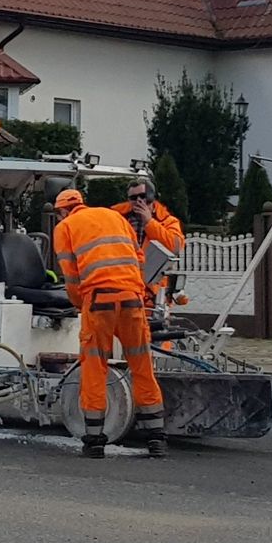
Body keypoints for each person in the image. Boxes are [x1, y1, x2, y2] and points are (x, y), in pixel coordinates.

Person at [52, 189, 167, 459]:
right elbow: (139, 259)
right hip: (132, 300)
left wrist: (80, 304)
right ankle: (156, 439)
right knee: (141, 365)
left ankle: (94, 441)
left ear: (62, 211)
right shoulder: (115, 217)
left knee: (95, 367)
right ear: (82, 203)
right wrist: (134, 290)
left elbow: (70, 275)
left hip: (99, 301)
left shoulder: (66, 227)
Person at [111, 180, 186, 307]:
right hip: (124, 286)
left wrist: (149, 222)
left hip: (153, 292)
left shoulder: (168, 221)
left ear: (152, 197)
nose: (138, 201)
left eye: (143, 196)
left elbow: (175, 247)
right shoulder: (117, 218)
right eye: (133, 198)